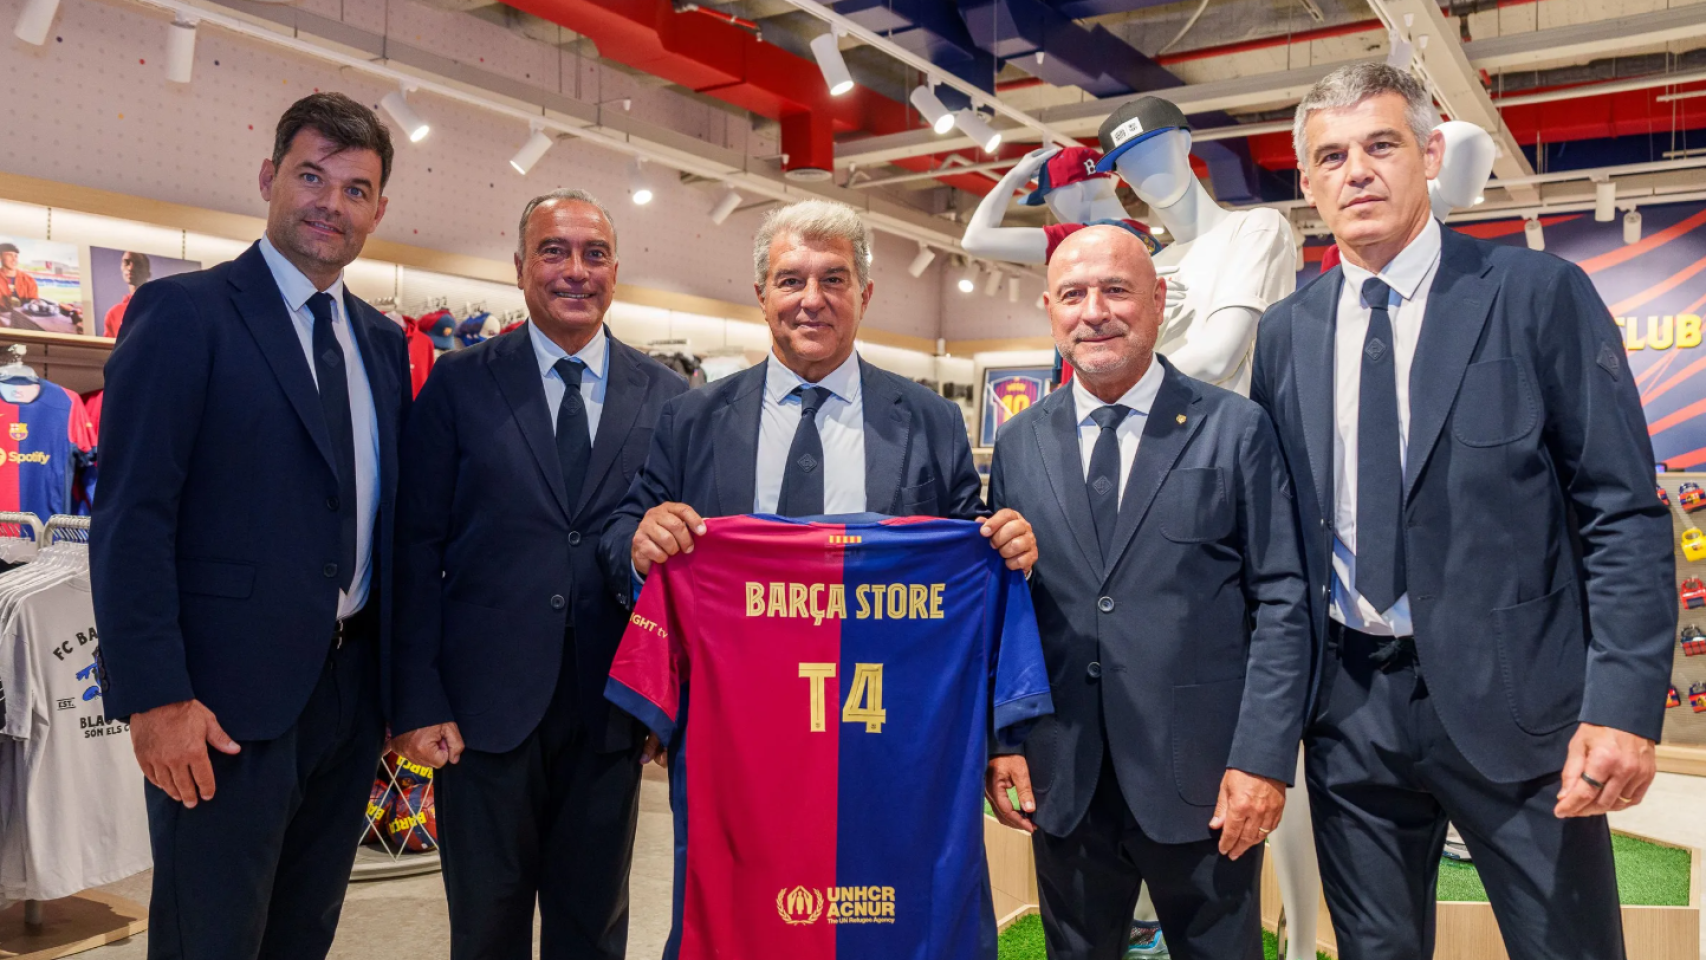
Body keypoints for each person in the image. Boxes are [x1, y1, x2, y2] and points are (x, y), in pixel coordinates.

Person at [1252, 62, 1675, 960]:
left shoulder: (1534, 294)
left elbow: (1621, 511)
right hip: (1349, 713)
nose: (1356, 172)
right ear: (1307, 181)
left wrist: (1626, 705)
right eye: (1330, 156)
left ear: (1431, 153)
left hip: (1523, 710)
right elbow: (1283, 532)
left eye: (1380, 145)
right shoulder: (1287, 332)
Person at [89, 92, 410, 960]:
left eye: (353, 189)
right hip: (217, 706)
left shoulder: (381, 344)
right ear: (270, 178)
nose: (328, 203)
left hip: (348, 704)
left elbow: (384, 524)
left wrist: (393, 687)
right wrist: (155, 699)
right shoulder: (185, 315)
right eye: (311, 176)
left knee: (303, 934)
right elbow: (130, 518)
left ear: (377, 212)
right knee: (211, 940)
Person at [984, 224, 1310, 960]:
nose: (1094, 311)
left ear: (1159, 301)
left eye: (1116, 290)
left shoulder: (1235, 429)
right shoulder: (1019, 442)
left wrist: (1261, 759)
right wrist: (1003, 740)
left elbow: (1283, 603)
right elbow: (1008, 608)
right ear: (1049, 309)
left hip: (1202, 780)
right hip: (1063, 774)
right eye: (1073, 294)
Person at [389, 189, 686, 960]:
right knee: (484, 930)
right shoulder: (458, 384)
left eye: (593, 254)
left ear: (616, 271)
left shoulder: (672, 399)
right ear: (520, 269)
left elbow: (689, 568)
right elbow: (415, 547)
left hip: (612, 712)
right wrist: (416, 698)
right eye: (554, 252)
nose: (574, 271)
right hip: (480, 716)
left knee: (593, 931)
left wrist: (671, 705)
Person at [601, 198, 1037, 587]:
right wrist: (641, 549)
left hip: (877, 672)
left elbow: (972, 537)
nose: (812, 300)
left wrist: (1008, 544)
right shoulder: (691, 418)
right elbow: (625, 533)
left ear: (864, 296)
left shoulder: (932, 420)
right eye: (790, 281)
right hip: (732, 669)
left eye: (833, 279)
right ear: (762, 296)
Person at [103, 250, 152, 339]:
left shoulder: (159, 308)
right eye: (127, 262)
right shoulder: (113, 314)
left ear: (148, 273)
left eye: (138, 264)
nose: (131, 268)